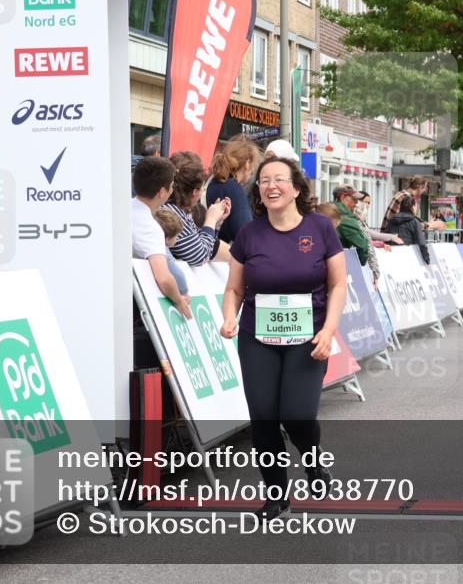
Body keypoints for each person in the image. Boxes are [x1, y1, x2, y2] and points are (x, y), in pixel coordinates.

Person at [220, 157, 348, 520]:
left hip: (308, 337)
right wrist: (229, 316)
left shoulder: (321, 228)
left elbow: (338, 284)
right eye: (263, 181)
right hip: (258, 338)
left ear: (296, 187)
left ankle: (313, 462)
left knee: (297, 416)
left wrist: (328, 330)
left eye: (279, 179)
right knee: (263, 417)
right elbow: (234, 289)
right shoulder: (248, 234)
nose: (271, 186)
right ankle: (276, 496)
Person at [132, 157, 192, 374]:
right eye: (172, 185)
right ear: (162, 191)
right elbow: (163, 277)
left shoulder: (125, 209)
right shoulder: (149, 226)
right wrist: (179, 300)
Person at [162, 152, 231, 266]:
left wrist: (215, 223)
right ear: (195, 191)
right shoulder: (171, 213)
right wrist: (211, 221)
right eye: (202, 189)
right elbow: (199, 256)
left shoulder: (172, 209)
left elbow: (202, 244)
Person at [206, 139, 261, 244]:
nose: (253, 171)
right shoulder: (233, 188)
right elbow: (247, 236)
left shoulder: (213, 182)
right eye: (253, 166)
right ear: (247, 164)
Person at [384, 193, 430, 264]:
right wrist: (427, 259)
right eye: (416, 206)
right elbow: (422, 243)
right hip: (409, 256)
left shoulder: (392, 220)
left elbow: (386, 237)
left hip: (392, 256)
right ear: (413, 207)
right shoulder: (414, 221)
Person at [153, 209, 189, 298]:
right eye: (177, 236)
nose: (177, 239)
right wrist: (184, 292)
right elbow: (178, 276)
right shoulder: (163, 250)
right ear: (168, 239)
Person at [332, 185, 371, 268]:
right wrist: (361, 262)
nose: (356, 202)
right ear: (343, 197)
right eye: (354, 199)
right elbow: (362, 245)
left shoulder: (326, 211)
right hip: (338, 265)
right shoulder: (345, 218)